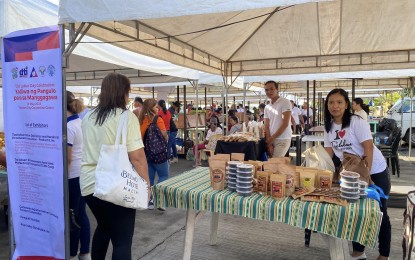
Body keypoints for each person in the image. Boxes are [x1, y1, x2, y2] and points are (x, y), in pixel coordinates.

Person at [81, 72, 150, 260]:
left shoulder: (88, 117)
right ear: (123, 93)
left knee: (103, 228)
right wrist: (146, 185)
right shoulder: (126, 117)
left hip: (89, 185)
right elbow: (137, 157)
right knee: (122, 240)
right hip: (116, 185)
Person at [323, 88, 390, 260]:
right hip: (351, 175)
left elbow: (368, 147)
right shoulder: (328, 126)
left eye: (339, 102)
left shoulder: (356, 122)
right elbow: (328, 153)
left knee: (379, 212)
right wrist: (318, 167)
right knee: (354, 212)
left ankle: (384, 254)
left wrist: (367, 176)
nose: (334, 106)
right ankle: (359, 251)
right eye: (331, 102)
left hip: (375, 171)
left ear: (346, 105)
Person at [66, 91, 91, 260]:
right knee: (81, 214)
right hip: (81, 175)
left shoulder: (68, 127)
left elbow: (68, 158)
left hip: (72, 177)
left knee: (72, 216)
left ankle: (73, 253)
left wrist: (62, 179)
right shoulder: (79, 122)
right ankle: (85, 252)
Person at [139, 99, 169, 210]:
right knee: (164, 176)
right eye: (156, 107)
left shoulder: (141, 120)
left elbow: (140, 138)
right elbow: (165, 135)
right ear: (151, 108)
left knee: (149, 179)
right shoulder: (158, 120)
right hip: (159, 154)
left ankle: (149, 201)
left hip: (147, 154)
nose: (158, 109)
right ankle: (159, 200)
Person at [263, 80, 292, 158]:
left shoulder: (285, 102)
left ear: (277, 90)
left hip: (283, 138)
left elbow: (285, 123)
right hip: (272, 139)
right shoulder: (267, 107)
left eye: (272, 89)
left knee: (274, 164)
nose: (269, 91)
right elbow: (266, 125)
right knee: (273, 164)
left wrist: (271, 139)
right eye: (267, 90)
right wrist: (269, 143)